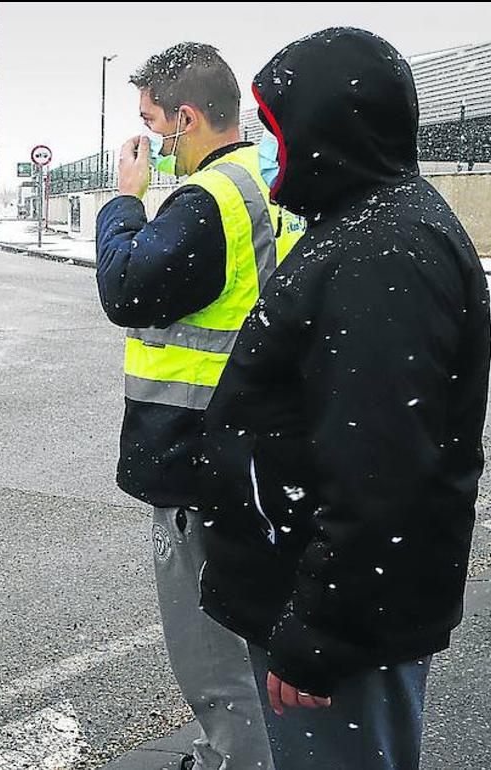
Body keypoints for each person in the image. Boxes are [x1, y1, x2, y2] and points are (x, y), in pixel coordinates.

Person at [199, 28, 489, 769]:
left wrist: (320, 637)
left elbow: (382, 473)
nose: (266, 146)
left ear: (325, 123)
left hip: (344, 629)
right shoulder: (362, 225)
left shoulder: (386, 248)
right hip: (328, 603)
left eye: (273, 127)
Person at [95, 42, 304, 770]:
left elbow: (125, 288)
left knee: (212, 655)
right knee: (260, 635)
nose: (151, 141)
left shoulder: (206, 200)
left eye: (153, 124)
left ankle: (237, 760)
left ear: (186, 118)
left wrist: (124, 198)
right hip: (257, 451)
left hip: (199, 460)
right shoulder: (265, 182)